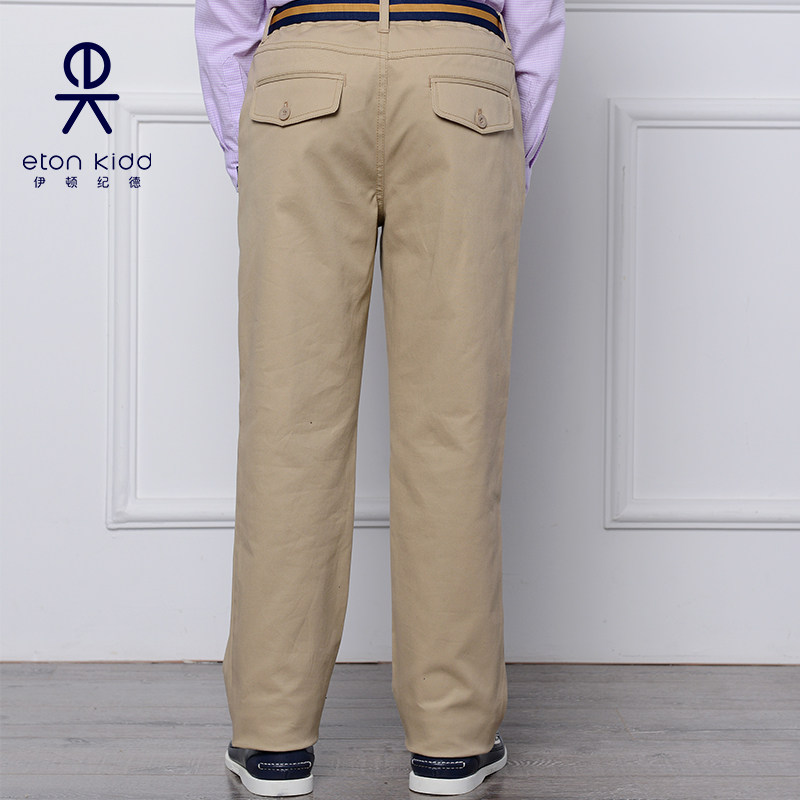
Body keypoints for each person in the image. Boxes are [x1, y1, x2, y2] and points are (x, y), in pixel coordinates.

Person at [194, 0, 564, 795]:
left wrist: (249, 149)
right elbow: (534, 20)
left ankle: (272, 739)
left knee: (288, 425)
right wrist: (508, 158)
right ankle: (453, 741)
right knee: (454, 428)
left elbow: (226, 22)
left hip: (303, 73)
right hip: (462, 77)